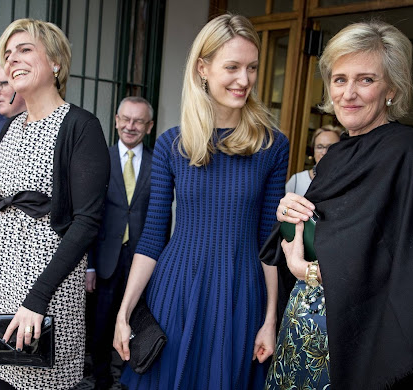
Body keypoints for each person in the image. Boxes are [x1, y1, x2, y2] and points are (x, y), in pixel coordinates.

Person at [261, 21, 413, 390]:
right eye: (340, 79)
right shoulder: (336, 156)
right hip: (303, 336)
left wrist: (303, 270)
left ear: (391, 87)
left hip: (359, 349)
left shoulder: (409, 154)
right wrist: (289, 219)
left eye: (366, 79)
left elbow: (408, 267)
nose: (349, 93)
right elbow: (318, 239)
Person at [113, 14, 289, 389]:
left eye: (253, 68)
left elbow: (268, 243)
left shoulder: (272, 145)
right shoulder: (171, 144)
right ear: (203, 68)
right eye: (233, 67)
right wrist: (124, 312)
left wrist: (271, 318)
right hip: (177, 290)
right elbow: (151, 239)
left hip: (241, 294)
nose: (245, 80)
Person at [0, 18, 110, 390]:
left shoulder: (79, 126)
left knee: (43, 383)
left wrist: (37, 298)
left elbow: (86, 222)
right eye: (7, 54)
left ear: (55, 61)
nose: (12, 59)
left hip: (48, 287)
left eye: (24, 49)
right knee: (3, 381)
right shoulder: (10, 127)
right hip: (2, 280)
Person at [87, 96, 154, 390]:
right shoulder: (100, 158)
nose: (130, 126)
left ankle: (125, 379)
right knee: (101, 325)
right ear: (115, 120)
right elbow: (88, 214)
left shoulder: (157, 163)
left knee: (135, 322)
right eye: (125, 119)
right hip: (104, 259)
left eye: (138, 121)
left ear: (148, 126)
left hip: (141, 258)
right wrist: (88, 265)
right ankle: (101, 379)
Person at [284, 125, 342, 195]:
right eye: (319, 147)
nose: (324, 152)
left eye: (330, 147)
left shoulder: (346, 179)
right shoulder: (297, 180)